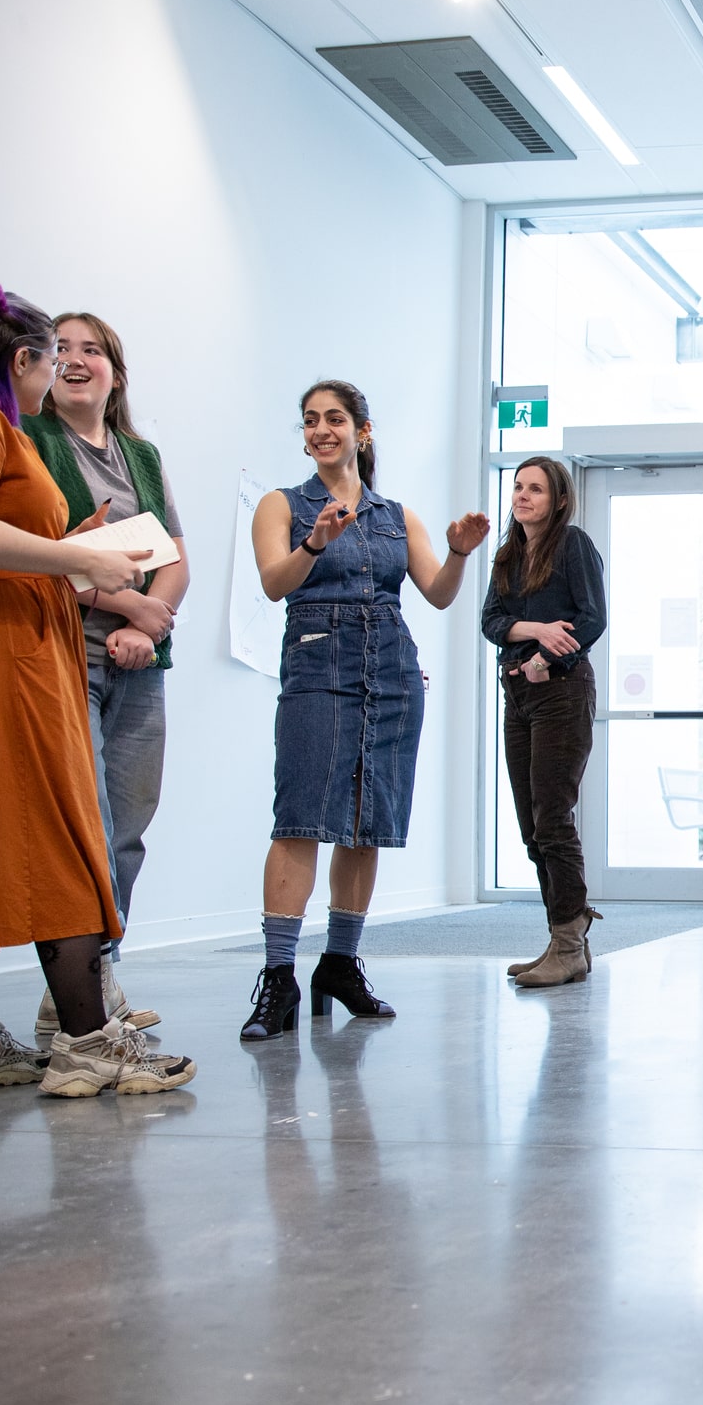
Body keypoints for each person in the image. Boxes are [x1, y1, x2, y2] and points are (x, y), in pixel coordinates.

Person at [0, 283, 195, 1098]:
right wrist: (80, 561)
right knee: (63, 831)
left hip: (2, 636)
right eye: (48, 361)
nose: (55, 375)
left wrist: (71, 546)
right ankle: (89, 1042)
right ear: (20, 361)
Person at [239, 380, 491, 1040]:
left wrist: (461, 551)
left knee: (365, 823)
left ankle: (341, 964)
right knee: (299, 819)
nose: (321, 430)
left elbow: (436, 593)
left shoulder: (395, 514)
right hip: (318, 667)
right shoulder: (281, 504)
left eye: (334, 419)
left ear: (362, 430)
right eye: (310, 421)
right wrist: (314, 542)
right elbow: (272, 584)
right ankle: (277, 978)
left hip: (393, 674)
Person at [20, 312, 186, 1040]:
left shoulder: (139, 456)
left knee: (129, 830)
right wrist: (129, 611)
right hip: (70, 657)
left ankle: (93, 982)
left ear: (115, 372)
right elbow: (44, 551)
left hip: (141, 662)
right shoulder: (33, 443)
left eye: (93, 350)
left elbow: (175, 555)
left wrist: (147, 622)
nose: (77, 360)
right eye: (63, 349)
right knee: (88, 825)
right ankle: (77, 993)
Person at [481, 455, 609, 987]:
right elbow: (491, 622)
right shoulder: (508, 555)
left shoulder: (572, 544)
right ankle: (564, 930)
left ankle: (568, 943)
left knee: (553, 819)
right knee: (531, 827)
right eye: (517, 487)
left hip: (560, 691)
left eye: (535, 488)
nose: (522, 496)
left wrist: (544, 657)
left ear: (558, 499)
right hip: (516, 696)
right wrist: (532, 627)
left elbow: (592, 617)